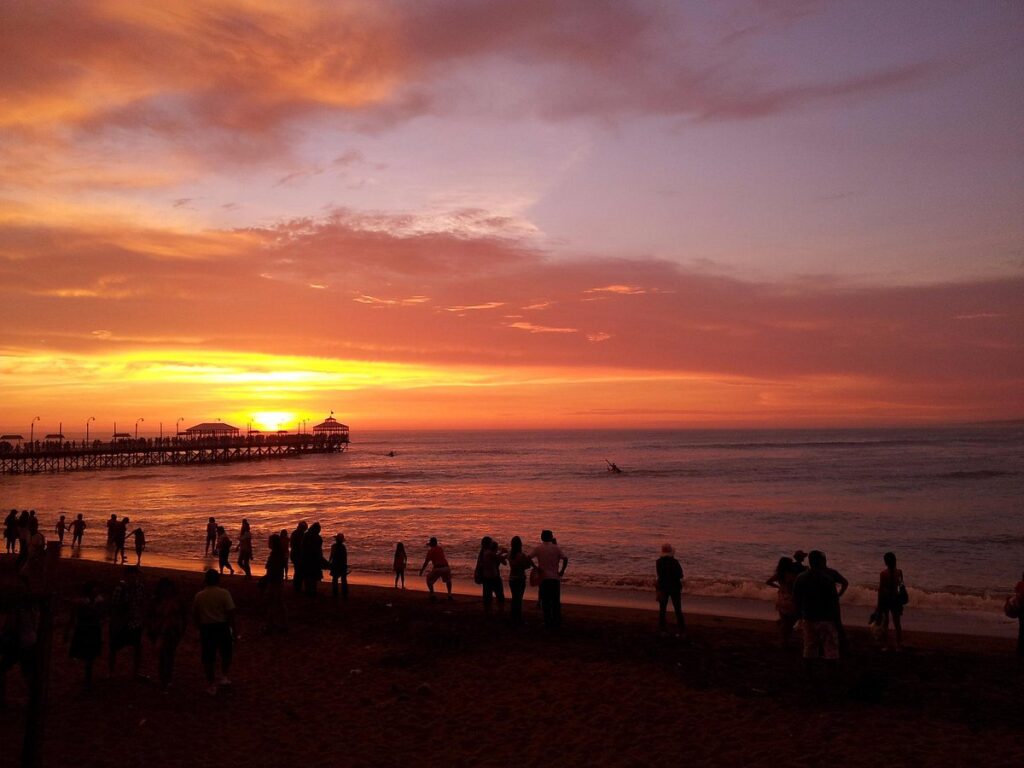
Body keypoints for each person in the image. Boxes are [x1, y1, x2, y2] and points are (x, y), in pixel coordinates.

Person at [793, 550, 841, 671]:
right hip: (826, 617)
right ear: (821, 562)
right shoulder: (827, 579)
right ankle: (831, 672)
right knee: (830, 647)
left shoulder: (801, 578)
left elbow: (796, 598)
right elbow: (833, 601)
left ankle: (809, 672)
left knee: (809, 646)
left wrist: (799, 615)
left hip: (808, 616)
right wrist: (837, 620)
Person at [192, 569, 236, 696]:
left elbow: (195, 614)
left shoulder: (199, 595)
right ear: (218, 580)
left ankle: (211, 684)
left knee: (208, 658)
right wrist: (234, 629)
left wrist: (198, 627)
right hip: (222, 626)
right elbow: (231, 612)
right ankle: (224, 675)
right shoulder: (224, 593)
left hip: (207, 628)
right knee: (226, 653)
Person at [148, 577, 187, 691]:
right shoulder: (156, 601)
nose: (166, 591)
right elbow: (149, 616)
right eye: (164, 588)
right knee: (163, 655)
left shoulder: (176, 601)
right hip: (158, 631)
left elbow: (184, 616)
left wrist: (181, 630)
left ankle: (166, 679)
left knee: (168, 655)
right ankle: (164, 679)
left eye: (168, 588)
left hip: (172, 631)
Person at [108, 566, 147, 677]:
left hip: (135, 622)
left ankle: (136, 672)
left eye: (135, 574)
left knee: (137, 647)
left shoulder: (140, 587)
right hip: (121, 622)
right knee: (114, 647)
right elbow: (114, 606)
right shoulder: (120, 589)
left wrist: (142, 617)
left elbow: (142, 603)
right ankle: (111, 672)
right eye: (131, 575)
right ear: (126, 576)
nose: (134, 577)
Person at [67, 581, 103, 693]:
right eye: (94, 588)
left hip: (89, 629)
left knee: (89, 657)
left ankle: (87, 680)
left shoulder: (96, 601)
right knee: (89, 657)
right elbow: (73, 617)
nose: (96, 590)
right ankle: (87, 681)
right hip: (86, 629)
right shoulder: (83, 603)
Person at [529, 530, 568, 629]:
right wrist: (562, 571)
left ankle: (548, 622)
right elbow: (565, 558)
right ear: (551, 537)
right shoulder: (556, 548)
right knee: (555, 601)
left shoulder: (538, 548)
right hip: (555, 578)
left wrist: (535, 567)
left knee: (546, 602)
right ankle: (557, 621)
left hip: (544, 578)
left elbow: (528, 557)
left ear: (542, 538)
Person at [875, 552, 906, 651]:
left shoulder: (883, 574)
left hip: (886, 599)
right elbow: (901, 586)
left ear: (886, 562)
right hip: (896, 599)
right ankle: (899, 645)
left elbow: (881, 589)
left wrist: (879, 603)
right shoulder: (899, 572)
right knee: (897, 623)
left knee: (885, 623)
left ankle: (886, 645)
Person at [767, 556, 799, 645]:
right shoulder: (792, 576)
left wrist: (778, 586)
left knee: (786, 622)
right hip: (790, 600)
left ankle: (784, 639)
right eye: (791, 563)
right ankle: (784, 640)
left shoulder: (779, 574)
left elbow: (768, 581)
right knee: (792, 622)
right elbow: (796, 588)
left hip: (781, 599)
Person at [655, 543, 686, 635]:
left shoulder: (658, 562)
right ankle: (681, 626)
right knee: (677, 608)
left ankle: (662, 627)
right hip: (674, 587)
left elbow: (659, 575)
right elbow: (680, 575)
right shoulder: (675, 562)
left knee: (662, 608)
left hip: (663, 587)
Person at [260, 534, 288, 634]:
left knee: (273, 603)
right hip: (276, 581)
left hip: (274, 582)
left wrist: (266, 579)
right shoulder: (278, 554)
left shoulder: (276, 555)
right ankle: (277, 624)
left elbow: (273, 569)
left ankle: (272, 624)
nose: (268, 543)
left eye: (269, 541)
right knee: (277, 603)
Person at [477, 537, 507, 615]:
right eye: (491, 542)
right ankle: (500, 611)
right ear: (488, 544)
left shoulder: (483, 552)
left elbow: (497, 558)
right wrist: (504, 553)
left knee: (487, 596)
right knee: (499, 595)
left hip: (486, 577)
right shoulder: (488, 553)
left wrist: (501, 554)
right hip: (493, 577)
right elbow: (498, 558)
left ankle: (488, 611)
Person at [506, 536, 532, 626]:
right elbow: (527, 566)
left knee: (514, 598)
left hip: (512, 578)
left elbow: (506, 558)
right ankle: (518, 618)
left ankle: (513, 617)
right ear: (520, 545)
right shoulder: (522, 555)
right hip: (520, 578)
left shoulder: (509, 554)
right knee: (519, 599)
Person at [419, 537, 453, 601]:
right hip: (446, 567)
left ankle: (432, 594)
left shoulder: (430, 551)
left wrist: (422, 570)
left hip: (438, 568)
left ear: (431, 544)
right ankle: (449, 594)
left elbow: (426, 562)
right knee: (448, 580)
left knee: (428, 579)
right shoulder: (440, 548)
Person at [301, 522, 326, 597]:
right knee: (313, 577)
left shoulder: (306, 535)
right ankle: (312, 591)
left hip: (306, 559)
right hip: (313, 560)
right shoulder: (317, 538)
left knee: (308, 577)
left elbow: (302, 547)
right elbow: (318, 550)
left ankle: (308, 591)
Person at [329, 533, 349, 599]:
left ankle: (335, 593)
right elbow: (345, 558)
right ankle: (344, 593)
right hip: (341, 564)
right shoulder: (343, 547)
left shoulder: (333, 546)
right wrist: (346, 566)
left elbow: (331, 556)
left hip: (335, 564)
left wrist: (329, 563)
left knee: (335, 579)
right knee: (343, 579)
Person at [290, 521, 307, 593]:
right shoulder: (301, 534)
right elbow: (301, 546)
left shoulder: (294, 533)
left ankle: (296, 587)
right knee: (299, 572)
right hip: (298, 555)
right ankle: (297, 588)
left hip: (294, 554)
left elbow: (292, 544)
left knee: (297, 571)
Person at [1014, 571, 1024, 658]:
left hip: (1021, 609)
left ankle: (1019, 649)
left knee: (1021, 630)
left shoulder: (1020, 584)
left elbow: (1016, 593)